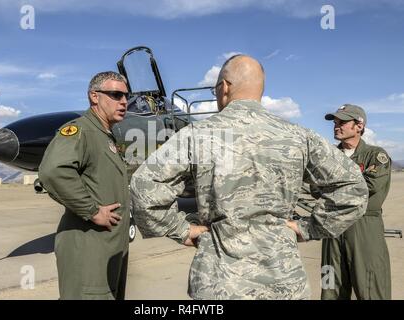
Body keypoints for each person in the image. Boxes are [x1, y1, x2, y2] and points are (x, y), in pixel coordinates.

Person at [130, 55, 369, 299]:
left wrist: (181, 229)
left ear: (224, 87)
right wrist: (307, 228)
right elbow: (354, 189)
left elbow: (142, 187)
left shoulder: (197, 135)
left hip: (219, 283)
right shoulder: (299, 136)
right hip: (283, 283)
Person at [38, 71, 130, 300]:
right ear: (94, 96)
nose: (124, 102)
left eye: (126, 96)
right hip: (88, 248)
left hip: (107, 249)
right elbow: (53, 171)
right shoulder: (81, 130)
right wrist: (92, 210)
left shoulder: (105, 136)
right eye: (116, 95)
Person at [321, 104, 392, 300]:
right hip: (332, 229)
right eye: (335, 122)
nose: (336, 126)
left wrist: (331, 185)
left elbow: (367, 187)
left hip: (364, 228)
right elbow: (315, 188)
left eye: (342, 122)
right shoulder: (328, 157)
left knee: (371, 288)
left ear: (359, 125)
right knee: (330, 287)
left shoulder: (376, 156)